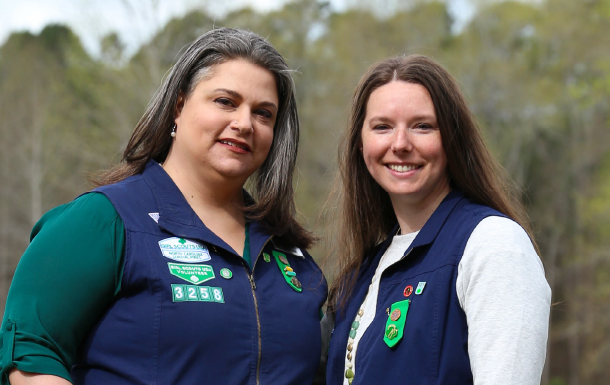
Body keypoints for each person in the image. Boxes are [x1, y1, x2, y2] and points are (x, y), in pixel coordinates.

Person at [0, 27, 327, 385]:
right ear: (179, 105)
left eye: (263, 113)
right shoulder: (104, 220)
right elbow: (31, 354)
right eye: (225, 102)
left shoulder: (289, 254)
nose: (244, 123)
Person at [324, 55, 551, 385]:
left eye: (422, 126)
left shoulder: (494, 246)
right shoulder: (361, 275)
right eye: (382, 126)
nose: (400, 144)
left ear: (452, 139)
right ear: (361, 144)